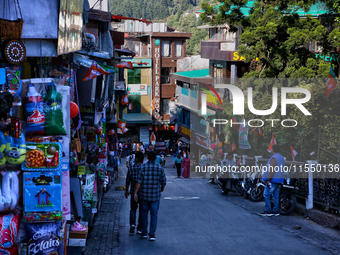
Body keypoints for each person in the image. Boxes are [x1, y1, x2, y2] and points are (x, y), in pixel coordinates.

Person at [134, 151, 166, 241]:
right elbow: (163, 181)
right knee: (154, 215)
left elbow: (139, 181)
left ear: (147, 158)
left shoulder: (143, 167)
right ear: (156, 158)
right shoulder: (159, 168)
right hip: (155, 196)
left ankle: (144, 232)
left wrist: (135, 192)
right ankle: (152, 234)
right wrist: (162, 187)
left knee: (144, 214)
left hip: (144, 195)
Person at [260, 144, 285, 217]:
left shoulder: (274, 158)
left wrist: (268, 179)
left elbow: (272, 170)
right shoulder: (281, 157)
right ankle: (275, 211)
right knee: (276, 196)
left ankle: (268, 211)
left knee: (267, 195)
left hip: (273, 179)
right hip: (279, 179)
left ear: (273, 149)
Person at [125, 152, 144, 234]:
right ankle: (139, 228)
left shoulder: (131, 168)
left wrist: (126, 190)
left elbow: (128, 180)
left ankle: (132, 224)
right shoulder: (144, 168)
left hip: (133, 192)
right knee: (142, 210)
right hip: (143, 192)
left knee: (133, 209)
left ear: (136, 159)